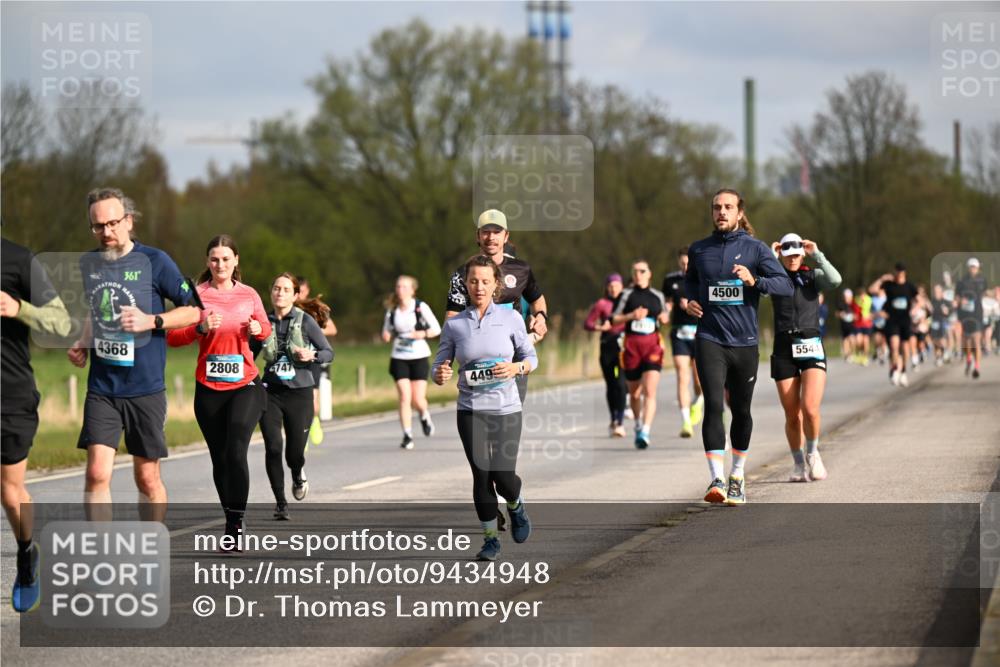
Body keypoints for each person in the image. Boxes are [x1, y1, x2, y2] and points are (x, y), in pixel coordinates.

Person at [67, 188, 200, 519]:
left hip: (145, 387)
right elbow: (95, 307)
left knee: (147, 477)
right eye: (98, 226)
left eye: (112, 223)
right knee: (97, 473)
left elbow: (194, 311)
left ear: (128, 221)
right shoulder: (90, 263)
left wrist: (151, 320)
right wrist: (83, 340)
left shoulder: (156, 261)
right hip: (103, 388)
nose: (106, 232)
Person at [684, 189, 793, 505]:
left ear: (739, 213)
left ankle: (737, 476)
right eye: (717, 207)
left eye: (728, 207)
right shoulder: (699, 249)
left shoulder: (756, 250)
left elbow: (784, 285)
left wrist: (754, 282)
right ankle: (716, 478)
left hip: (744, 343)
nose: (721, 212)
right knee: (713, 405)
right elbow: (691, 281)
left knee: (741, 410)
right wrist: (689, 301)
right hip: (709, 338)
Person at [166, 236, 270, 547]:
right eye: (214, 259)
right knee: (220, 458)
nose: (220, 265)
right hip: (209, 387)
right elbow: (172, 338)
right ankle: (230, 515)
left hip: (245, 384)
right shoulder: (197, 296)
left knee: (236, 449)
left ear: (236, 260)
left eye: (226, 259)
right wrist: (199, 328)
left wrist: (257, 330)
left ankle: (236, 523)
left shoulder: (249, 294)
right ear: (207, 262)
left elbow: (266, 328)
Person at [433, 255, 538, 561]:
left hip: (506, 408)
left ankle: (516, 506)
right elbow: (440, 363)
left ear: (495, 285)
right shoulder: (454, 325)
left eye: (485, 281)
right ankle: (490, 539)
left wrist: (516, 368)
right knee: (481, 476)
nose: (479, 287)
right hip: (470, 409)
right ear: (466, 285)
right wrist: (439, 373)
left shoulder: (511, 319)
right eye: (473, 281)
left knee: (503, 477)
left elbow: (531, 359)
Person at [2, 237, 71, 611]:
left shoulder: (19, 260)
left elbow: (60, 322)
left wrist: (19, 308)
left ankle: (27, 552)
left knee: (11, 493)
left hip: (9, 395)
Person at [252, 273, 333, 519]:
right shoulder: (261, 322)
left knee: (294, 453)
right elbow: (247, 355)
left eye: (286, 289)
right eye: (276, 288)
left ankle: (297, 474)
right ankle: (280, 503)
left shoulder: (305, 321)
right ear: (271, 292)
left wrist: (312, 357)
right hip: (270, 392)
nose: (280, 293)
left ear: (295, 295)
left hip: (300, 393)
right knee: (273, 446)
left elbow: (328, 352)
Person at [445, 210, 548, 404]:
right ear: (478, 236)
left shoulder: (521, 269)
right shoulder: (462, 274)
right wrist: (446, 358)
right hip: (477, 356)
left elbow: (537, 299)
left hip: (513, 358)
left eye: (496, 232)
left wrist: (541, 316)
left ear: (506, 236)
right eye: (486, 232)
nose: (491, 237)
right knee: (478, 416)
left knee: (509, 415)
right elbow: (452, 317)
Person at [768, 233, 842, 482]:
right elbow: (757, 285)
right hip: (783, 346)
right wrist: (770, 256)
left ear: (802, 254)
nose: (793, 259)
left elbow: (835, 280)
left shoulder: (813, 276)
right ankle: (798, 463)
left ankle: (813, 453)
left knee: (810, 408)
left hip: (810, 343)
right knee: (792, 414)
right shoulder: (775, 278)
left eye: (797, 254)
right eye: (788, 255)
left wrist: (816, 253)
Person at [611, 260, 670, 449]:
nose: (638, 274)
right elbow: (613, 319)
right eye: (635, 271)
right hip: (631, 347)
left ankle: (645, 430)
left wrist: (663, 317)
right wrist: (631, 316)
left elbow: (666, 316)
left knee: (650, 391)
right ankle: (637, 423)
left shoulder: (657, 296)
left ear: (649, 274)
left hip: (652, 345)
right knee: (635, 394)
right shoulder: (626, 295)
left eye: (642, 271)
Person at [381, 275, 442, 449]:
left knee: (417, 399)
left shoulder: (420, 307)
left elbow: (436, 328)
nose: (401, 290)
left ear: (413, 290)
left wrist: (422, 334)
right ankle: (407, 435)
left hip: (419, 356)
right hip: (399, 357)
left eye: (405, 287)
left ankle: (424, 414)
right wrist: (386, 335)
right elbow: (386, 331)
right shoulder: (392, 310)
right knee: (404, 397)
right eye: (398, 286)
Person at [662, 248, 704, 438]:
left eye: (688, 263)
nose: (685, 266)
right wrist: (666, 312)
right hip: (679, 332)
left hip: (700, 332)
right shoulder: (671, 280)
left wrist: (692, 304)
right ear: (678, 263)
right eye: (682, 263)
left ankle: (698, 401)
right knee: (682, 375)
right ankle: (686, 421)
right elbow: (668, 302)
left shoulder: (702, 277)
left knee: (698, 380)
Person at [583, 273, 628, 437]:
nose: (613, 288)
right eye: (611, 285)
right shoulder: (602, 304)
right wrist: (599, 328)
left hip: (624, 346)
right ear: (607, 288)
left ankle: (620, 422)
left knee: (621, 384)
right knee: (611, 384)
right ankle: (613, 418)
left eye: (616, 285)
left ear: (622, 286)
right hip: (607, 346)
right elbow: (587, 323)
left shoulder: (627, 303)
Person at [295, 276, 337, 446]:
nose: (299, 295)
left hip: (312, 359)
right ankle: (299, 436)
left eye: (303, 291)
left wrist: (312, 331)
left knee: (312, 400)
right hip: (292, 361)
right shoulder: (284, 308)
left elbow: (333, 329)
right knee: (294, 401)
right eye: (297, 291)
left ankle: (314, 421)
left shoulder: (313, 308)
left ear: (307, 291)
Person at [869, 263, 918, 387]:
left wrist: (915, 309)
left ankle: (903, 371)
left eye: (901, 272)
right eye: (897, 272)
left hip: (905, 321)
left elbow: (919, 300)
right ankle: (895, 368)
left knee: (905, 349)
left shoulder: (909, 286)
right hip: (892, 321)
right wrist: (882, 279)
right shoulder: (889, 285)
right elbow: (872, 290)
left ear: (904, 273)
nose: (898, 274)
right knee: (894, 346)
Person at [956, 258, 987, 379]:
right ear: (968, 268)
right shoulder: (961, 281)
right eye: (971, 267)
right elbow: (957, 297)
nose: (973, 269)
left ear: (978, 268)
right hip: (965, 315)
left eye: (975, 267)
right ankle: (969, 359)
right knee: (968, 343)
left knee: (976, 341)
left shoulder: (982, 280)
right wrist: (960, 301)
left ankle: (977, 367)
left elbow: (984, 293)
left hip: (977, 314)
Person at [929, 284, 952, 366]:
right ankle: (938, 357)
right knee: (935, 341)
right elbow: (928, 312)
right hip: (934, 322)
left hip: (943, 321)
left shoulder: (946, 302)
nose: (936, 293)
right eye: (935, 291)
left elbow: (949, 312)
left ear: (941, 292)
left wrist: (947, 311)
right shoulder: (931, 301)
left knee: (942, 338)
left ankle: (945, 352)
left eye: (938, 291)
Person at [836, 289, 856, 361]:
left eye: (848, 297)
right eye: (845, 297)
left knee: (851, 339)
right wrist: (841, 314)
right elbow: (837, 313)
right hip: (844, 324)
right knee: (845, 340)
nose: (846, 298)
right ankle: (847, 355)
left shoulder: (854, 304)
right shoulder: (841, 304)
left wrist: (854, 316)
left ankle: (852, 353)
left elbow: (858, 314)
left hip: (852, 325)